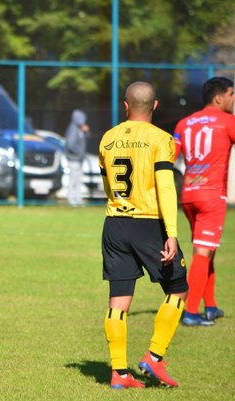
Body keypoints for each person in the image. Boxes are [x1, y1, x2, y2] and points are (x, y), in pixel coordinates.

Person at [99, 81, 188, 389]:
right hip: (149, 223)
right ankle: (154, 356)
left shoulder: (107, 138)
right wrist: (172, 233)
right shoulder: (162, 139)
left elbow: (108, 185)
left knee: (118, 300)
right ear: (155, 106)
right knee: (178, 289)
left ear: (126, 106)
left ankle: (119, 373)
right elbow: (166, 186)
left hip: (114, 223)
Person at [173, 77, 235, 326]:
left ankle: (210, 306)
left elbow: (171, 155)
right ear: (219, 97)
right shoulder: (227, 121)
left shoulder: (184, 123)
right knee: (203, 251)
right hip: (211, 195)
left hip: (189, 194)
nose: (233, 99)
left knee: (206, 250)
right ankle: (190, 311)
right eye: (232, 94)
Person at [64, 109, 90, 207]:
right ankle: (71, 198)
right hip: (73, 158)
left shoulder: (79, 128)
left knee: (78, 179)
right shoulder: (73, 128)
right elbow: (70, 144)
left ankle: (77, 198)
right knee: (73, 179)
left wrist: (86, 131)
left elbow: (86, 136)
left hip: (79, 159)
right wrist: (79, 153)